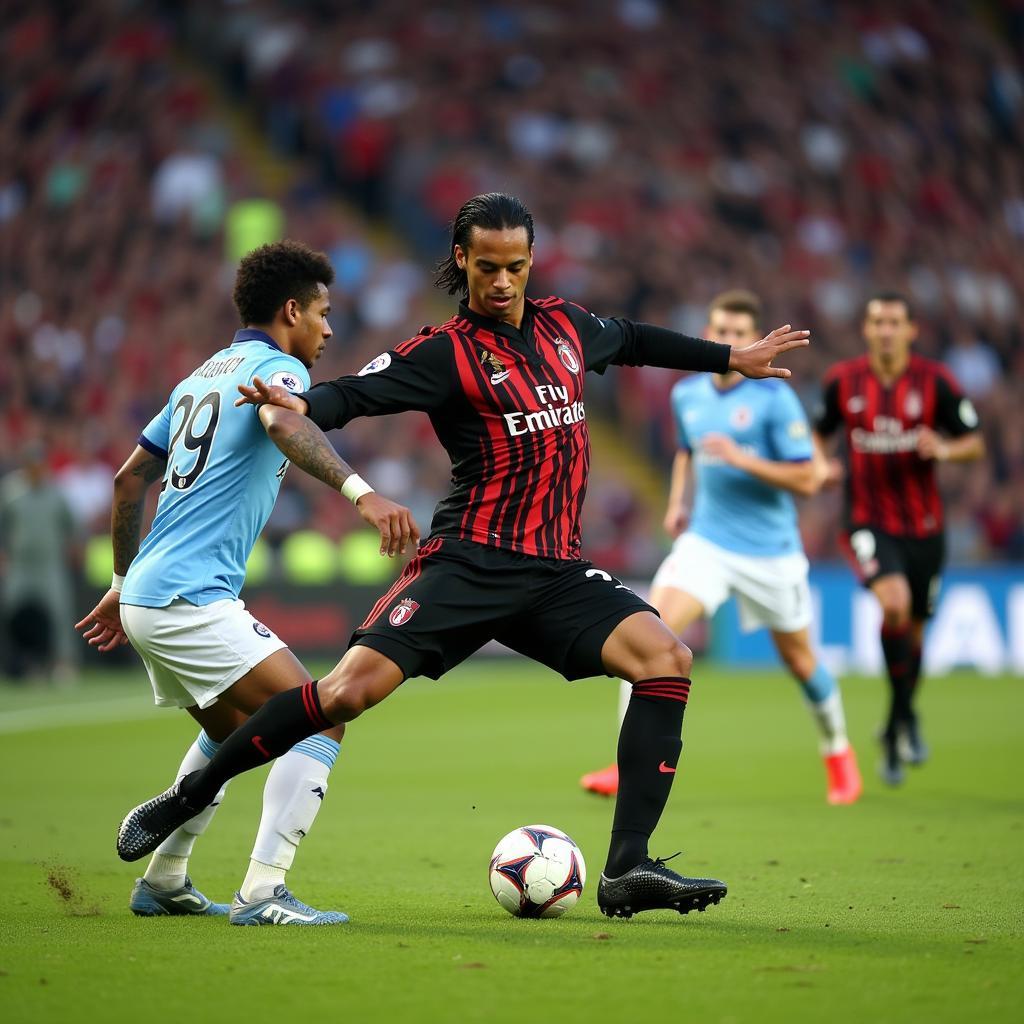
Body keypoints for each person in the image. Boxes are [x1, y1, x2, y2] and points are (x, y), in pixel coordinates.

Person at [117, 193, 810, 920]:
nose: (503, 281)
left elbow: (635, 339)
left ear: (531, 261)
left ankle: (627, 866)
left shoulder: (570, 329)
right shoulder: (443, 351)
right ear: (462, 261)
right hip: (466, 564)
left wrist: (733, 356)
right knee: (346, 694)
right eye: (488, 267)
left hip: (553, 574)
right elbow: (356, 393)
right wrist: (301, 406)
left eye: (515, 266)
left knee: (665, 657)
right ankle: (186, 799)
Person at [76, 240, 418, 925]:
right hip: (187, 597)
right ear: (291, 310)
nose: (328, 328)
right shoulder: (276, 369)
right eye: (322, 312)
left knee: (230, 735)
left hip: (150, 594)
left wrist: (121, 579)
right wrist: (362, 493)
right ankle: (263, 890)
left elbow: (127, 481)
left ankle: (165, 878)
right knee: (324, 712)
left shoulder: (197, 377)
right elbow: (284, 419)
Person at [581, 291, 862, 805]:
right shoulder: (688, 394)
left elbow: (806, 479)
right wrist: (676, 501)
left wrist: (742, 459)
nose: (728, 340)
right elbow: (689, 451)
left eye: (738, 332)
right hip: (706, 543)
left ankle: (838, 752)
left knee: (800, 661)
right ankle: (628, 765)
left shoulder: (775, 398)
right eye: (720, 331)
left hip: (770, 552)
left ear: (753, 339)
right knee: (644, 633)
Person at [813, 292, 984, 784]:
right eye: (876, 321)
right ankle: (900, 723)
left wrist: (946, 449)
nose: (885, 330)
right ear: (866, 330)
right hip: (866, 520)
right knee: (894, 605)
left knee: (915, 633)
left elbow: (974, 442)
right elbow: (819, 431)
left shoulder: (936, 383)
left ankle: (897, 722)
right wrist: (822, 462)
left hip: (926, 529)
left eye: (894, 322)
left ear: (911, 330)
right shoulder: (843, 381)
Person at [0, 441, 78, 683]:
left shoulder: (56, 492)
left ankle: (64, 664)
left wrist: (73, 549)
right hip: (20, 564)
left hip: (49, 563)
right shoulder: (11, 490)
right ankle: (17, 664)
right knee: (11, 611)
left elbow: (71, 526)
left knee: (59, 613)